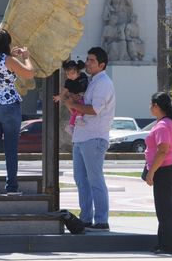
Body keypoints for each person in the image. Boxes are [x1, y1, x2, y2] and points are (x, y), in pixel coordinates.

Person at [64, 47, 115, 231]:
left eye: (92, 60)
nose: (87, 63)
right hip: (81, 136)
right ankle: (86, 218)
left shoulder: (103, 83)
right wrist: (72, 103)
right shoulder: (91, 81)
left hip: (94, 137)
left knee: (95, 179)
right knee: (80, 178)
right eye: (87, 59)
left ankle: (102, 220)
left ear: (102, 65)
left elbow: (94, 110)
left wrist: (72, 103)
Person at [0, 28, 35, 196]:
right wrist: (26, 57)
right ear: (6, 44)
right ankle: (11, 187)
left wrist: (11, 56)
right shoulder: (8, 60)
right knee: (10, 149)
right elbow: (29, 73)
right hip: (8, 106)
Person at [145, 92, 172, 255]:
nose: (149, 108)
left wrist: (151, 172)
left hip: (165, 170)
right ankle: (163, 243)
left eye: (151, 104)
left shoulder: (162, 125)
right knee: (164, 208)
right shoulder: (168, 122)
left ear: (156, 106)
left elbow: (162, 151)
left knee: (165, 210)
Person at [53, 60, 89, 134]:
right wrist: (59, 96)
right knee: (79, 107)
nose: (70, 76)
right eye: (68, 74)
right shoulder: (68, 82)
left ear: (78, 71)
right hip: (74, 98)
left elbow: (88, 84)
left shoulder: (83, 76)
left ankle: (70, 125)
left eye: (72, 73)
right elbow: (65, 90)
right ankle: (78, 119)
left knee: (75, 112)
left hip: (81, 96)